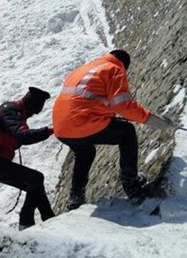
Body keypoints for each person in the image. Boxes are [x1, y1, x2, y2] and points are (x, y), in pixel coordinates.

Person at [51, 49, 175, 210]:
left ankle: (75, 198)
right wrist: (150, 119)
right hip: (82, 122)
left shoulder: (85, 69)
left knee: (85, 152)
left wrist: (106, 115)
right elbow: (122, 104)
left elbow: (85, 99)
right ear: (124, 64)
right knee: (126, 132)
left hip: (61, 127)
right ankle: (132, 187)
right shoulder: (114, 69)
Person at [0, 87, 55, 230]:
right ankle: (26, 221)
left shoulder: (13, 111)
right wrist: (50, 131)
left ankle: (49, 218)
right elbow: (23, 135)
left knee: (35, 186)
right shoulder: (11, 112)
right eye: (33, 113)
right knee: (36, 179)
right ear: (31, 107)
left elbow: (16, 136)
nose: (31, 116)